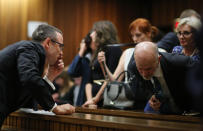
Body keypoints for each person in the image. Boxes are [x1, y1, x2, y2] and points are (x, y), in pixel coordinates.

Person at [0, 24, 75, 127]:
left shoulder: (33, 53)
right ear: (48, 42)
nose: (61, 52)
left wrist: (50, 76)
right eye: (60, 46)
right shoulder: (31, 48)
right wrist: (54, 107)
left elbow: (28, 99)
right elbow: (29, 79)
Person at [83, 18, 159, 109]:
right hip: (129, 102)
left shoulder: (159, 52)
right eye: (132, 36)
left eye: (138, 35)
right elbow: (114, 80)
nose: (134, 39)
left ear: (149, 33)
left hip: (152, 102)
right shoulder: (127, 53)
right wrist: (103, 64)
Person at [134, 41, 198, 114]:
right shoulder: (135, 66)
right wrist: (151, 97)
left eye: (148, 69)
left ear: (159, 59)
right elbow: (144, 88)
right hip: (163, 105)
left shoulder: (179, 63)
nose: (144, 74)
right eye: (140, 69)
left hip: (186, 106)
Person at [68, 21, 122, 107]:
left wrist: (95, 99)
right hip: (91, 100)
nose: (91, 34)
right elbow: (89, 80)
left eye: (94, 31)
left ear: (102, 33)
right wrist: (90, 100)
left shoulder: (114, 50)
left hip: (104, 100)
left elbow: (110, 79)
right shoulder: (98, 51)